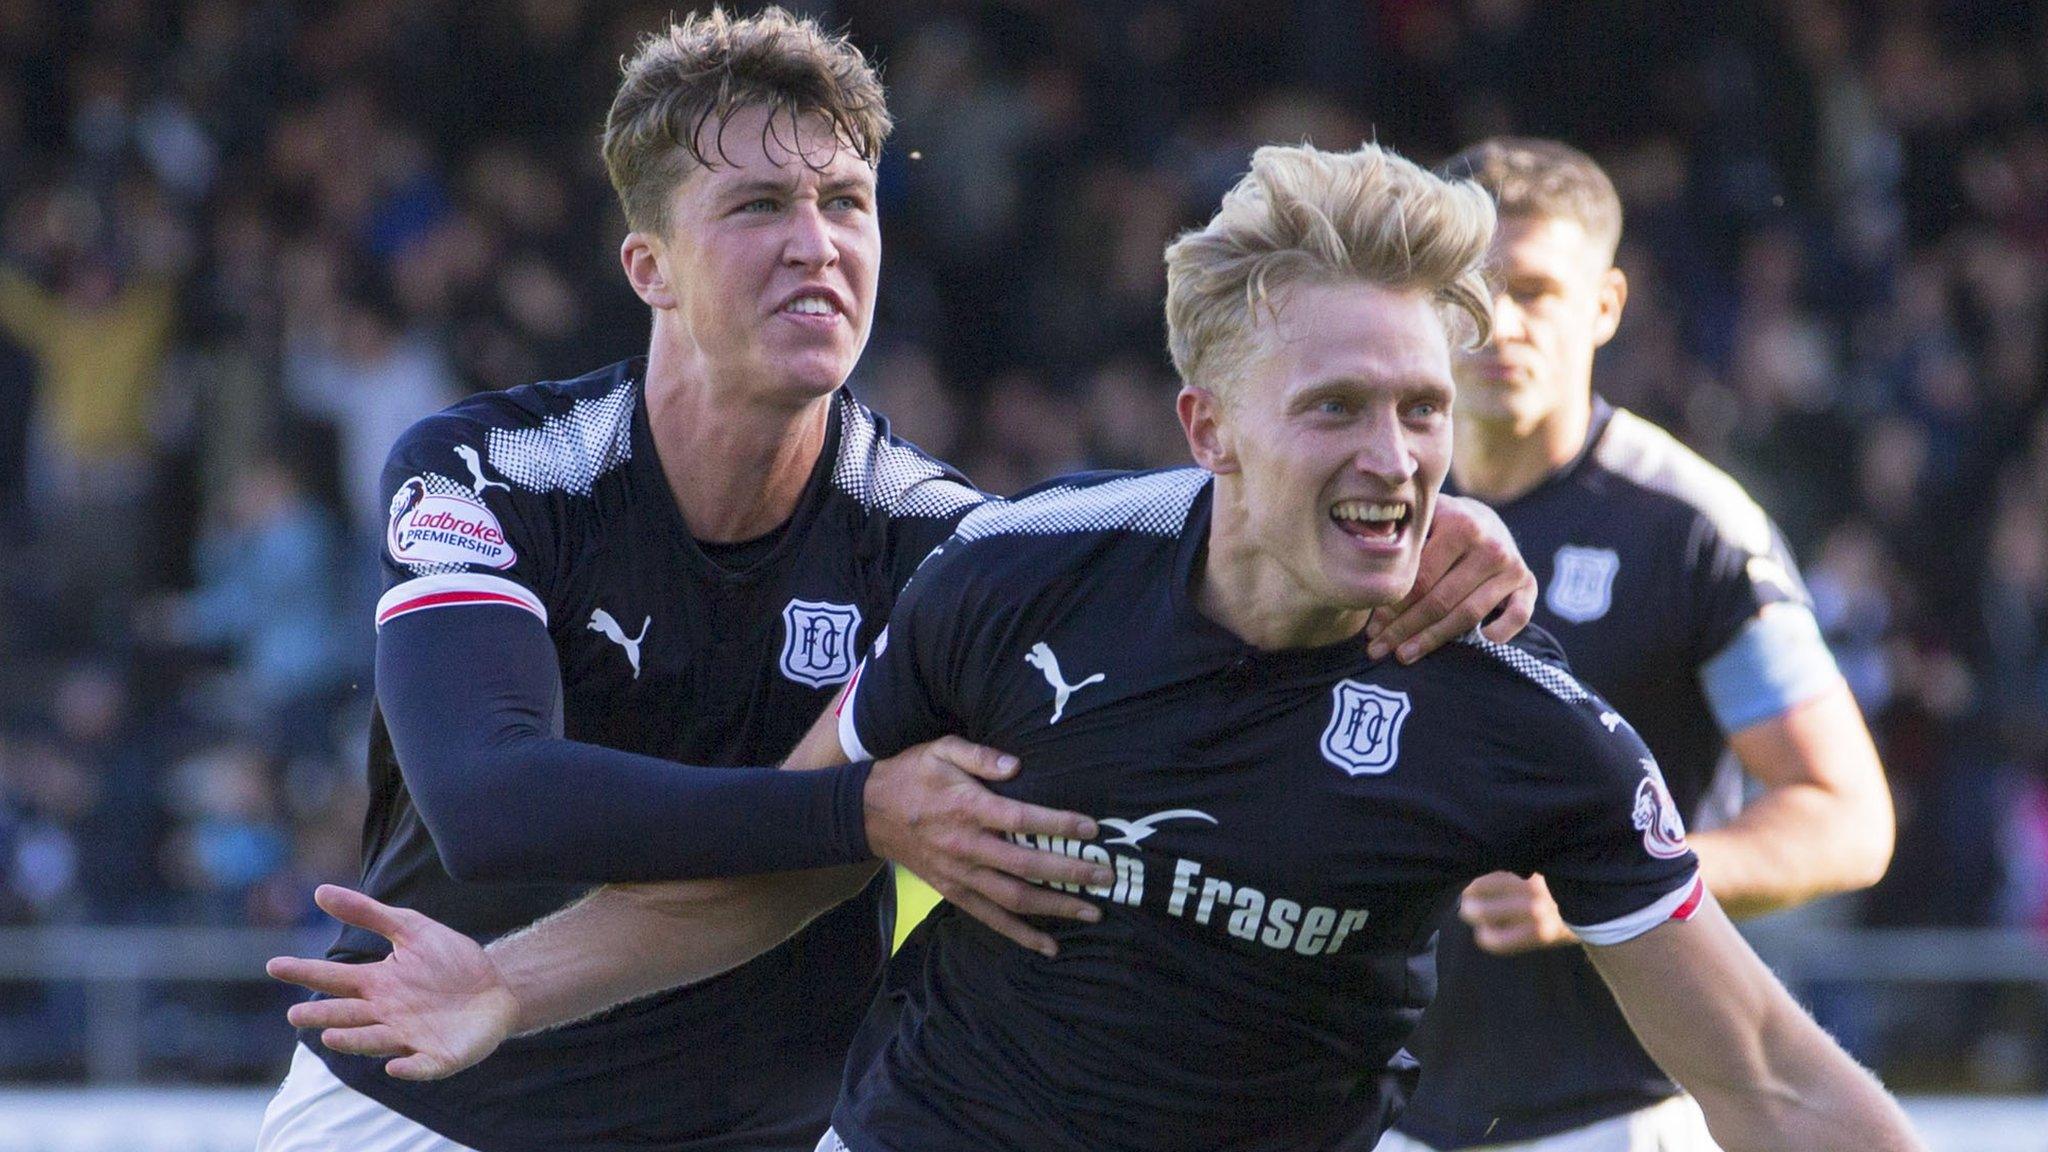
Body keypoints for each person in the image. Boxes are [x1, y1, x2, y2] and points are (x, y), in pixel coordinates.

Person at [269, 141, 1924, 1152]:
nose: (1397, 454)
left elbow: (1767, 1073)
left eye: (1422, 410)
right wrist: (502, 979)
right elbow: (771, 860)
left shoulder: (1525, 730)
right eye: (1334, 406)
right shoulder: (1013, 578)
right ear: (1206, 428)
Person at [255, 13, 1535, 1152]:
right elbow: (491, 804)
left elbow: (1219, 540)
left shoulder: (942, 541)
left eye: (847, 202)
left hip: (760, 1128)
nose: (815, 244)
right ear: (648, 268)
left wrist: (1400, 512)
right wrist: (863, 810)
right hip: (421, 1101)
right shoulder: (493, 468)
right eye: (757, 207)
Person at [1382, 138, 1896, 1152]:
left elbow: (1847, 818)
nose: (1501, 325)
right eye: (1470, 292)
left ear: (1605, 307)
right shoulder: (1364, 504)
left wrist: (1605, 883)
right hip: (1382, 1114)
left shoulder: (1690, 527)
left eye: (1534, 290)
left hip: (1613, 1117)